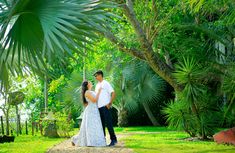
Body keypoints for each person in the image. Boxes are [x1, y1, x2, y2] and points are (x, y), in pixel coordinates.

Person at [71, 81, 106, 147]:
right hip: (90, 111)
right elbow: (94, 100)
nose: (91, 83)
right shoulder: (87, 92)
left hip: (95, 110)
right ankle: (77, 139)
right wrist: (99, 92)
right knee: (90, 127)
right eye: (89, 82)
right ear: (87, 85)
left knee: (95, 126)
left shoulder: (91, 91)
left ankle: (94, 141)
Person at [94, 70, 117, 146]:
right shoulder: (97, 85)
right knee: (101, 125)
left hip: (105, 107)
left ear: (100, 75)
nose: (95, 77)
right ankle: (102, 141)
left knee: (109, 123)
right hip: (99, 108)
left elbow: (113, 93)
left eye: (96, 75)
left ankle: (113, 140)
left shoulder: (106, 83)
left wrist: (109, 103)